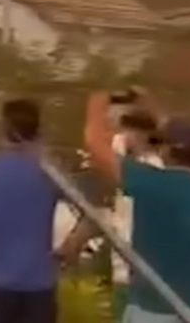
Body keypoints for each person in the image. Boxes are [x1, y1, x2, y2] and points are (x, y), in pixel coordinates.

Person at [82, 90, 190, 323]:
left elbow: (94, 143)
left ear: (166, 149)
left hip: (154, 311)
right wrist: (160, 119)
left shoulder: (151, 183)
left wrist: (98, 103)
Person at [57, 109, 163, 322]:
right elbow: (106, 215)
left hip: (141, 275)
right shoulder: (134, 169)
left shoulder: (150, 170)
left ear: (142, 134)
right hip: (127, 273)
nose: (123, 137)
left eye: (128, 131)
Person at [0, 98, 62, 323]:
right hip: (39, 286)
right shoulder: (50, 173)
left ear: (4, 127)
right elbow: (91, 213)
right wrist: (70, 248)